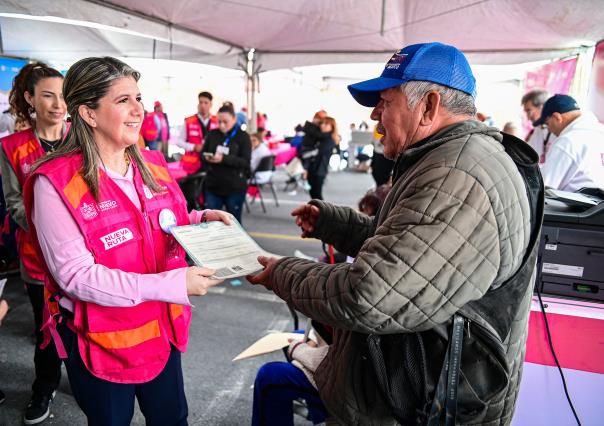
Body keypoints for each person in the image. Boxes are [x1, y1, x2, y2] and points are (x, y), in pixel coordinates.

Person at [248, 42, 542, 425]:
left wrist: (280, 273)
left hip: (422, 405)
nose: (375, 115)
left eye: (385, 101)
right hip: (412, 392)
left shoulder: (459, 176)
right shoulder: (448, 159)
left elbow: (369, 293)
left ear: (429, 106)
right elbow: (409, 254)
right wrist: (333, 223)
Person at [22, 56, 230, 425]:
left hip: (161, 332)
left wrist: (200, 220)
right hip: (102, 343)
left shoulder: (151, 164)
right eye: (123, 101)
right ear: (87, 113)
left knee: (172, 419)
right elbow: (77, 277)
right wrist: (173, 283)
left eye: (139, 98)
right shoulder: (53, 182)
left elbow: (165, 222)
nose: (139, 111)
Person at [0, 62, 67, 425]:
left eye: (62, 95)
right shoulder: (10, 147)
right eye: (48, 95)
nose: (58, 104)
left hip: (88, 256)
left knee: (86, 321)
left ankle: (87, 379)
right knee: (46, 327)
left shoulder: (82, 137)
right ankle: (45, 384)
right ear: (29, 99)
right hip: (37, 258)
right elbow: (13, 203)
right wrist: (52, 229)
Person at [534, 94, 604, 191]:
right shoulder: (599, 132)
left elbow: (542, 188)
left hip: (578, 205)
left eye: (547, 123)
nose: (549, 129)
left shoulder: (567, 142)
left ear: (557, 117)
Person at [201, 104, 252, 223]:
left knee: (233, 223)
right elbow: (202, 154)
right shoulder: (212, 134)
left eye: (225, 121)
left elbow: (245, 162)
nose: (222, 125)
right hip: (213, 186)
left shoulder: (243, 137)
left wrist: (224, 159)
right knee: (210, 224)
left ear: (234, 119)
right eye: (219, 121)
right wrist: (207, 157)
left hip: (234, 187)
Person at [180, 91, 218, 174]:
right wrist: (193, 147)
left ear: (210, 104)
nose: (203, 105)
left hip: (213, 164)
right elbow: (179, 141)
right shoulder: (188, 121)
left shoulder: (217, 121)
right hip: (192, 165)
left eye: (206, 103)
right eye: (201, 102)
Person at [303, 116, 338, 200]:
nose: (322, 125)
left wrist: (306, 154)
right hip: (313, 169)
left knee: (317, 195)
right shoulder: (320, 137)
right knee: (313, 194)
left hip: (319, 171)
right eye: (322, 123)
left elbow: (316, 152)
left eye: (326, 124)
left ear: (332, 127)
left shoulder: (329, 140)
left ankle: (323, 212)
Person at [522, 89, 556, 163]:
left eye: (529, 111)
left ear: (543, 107)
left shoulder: (558, 130)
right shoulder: (539, 128)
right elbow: (528, 154)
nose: (528, 118)